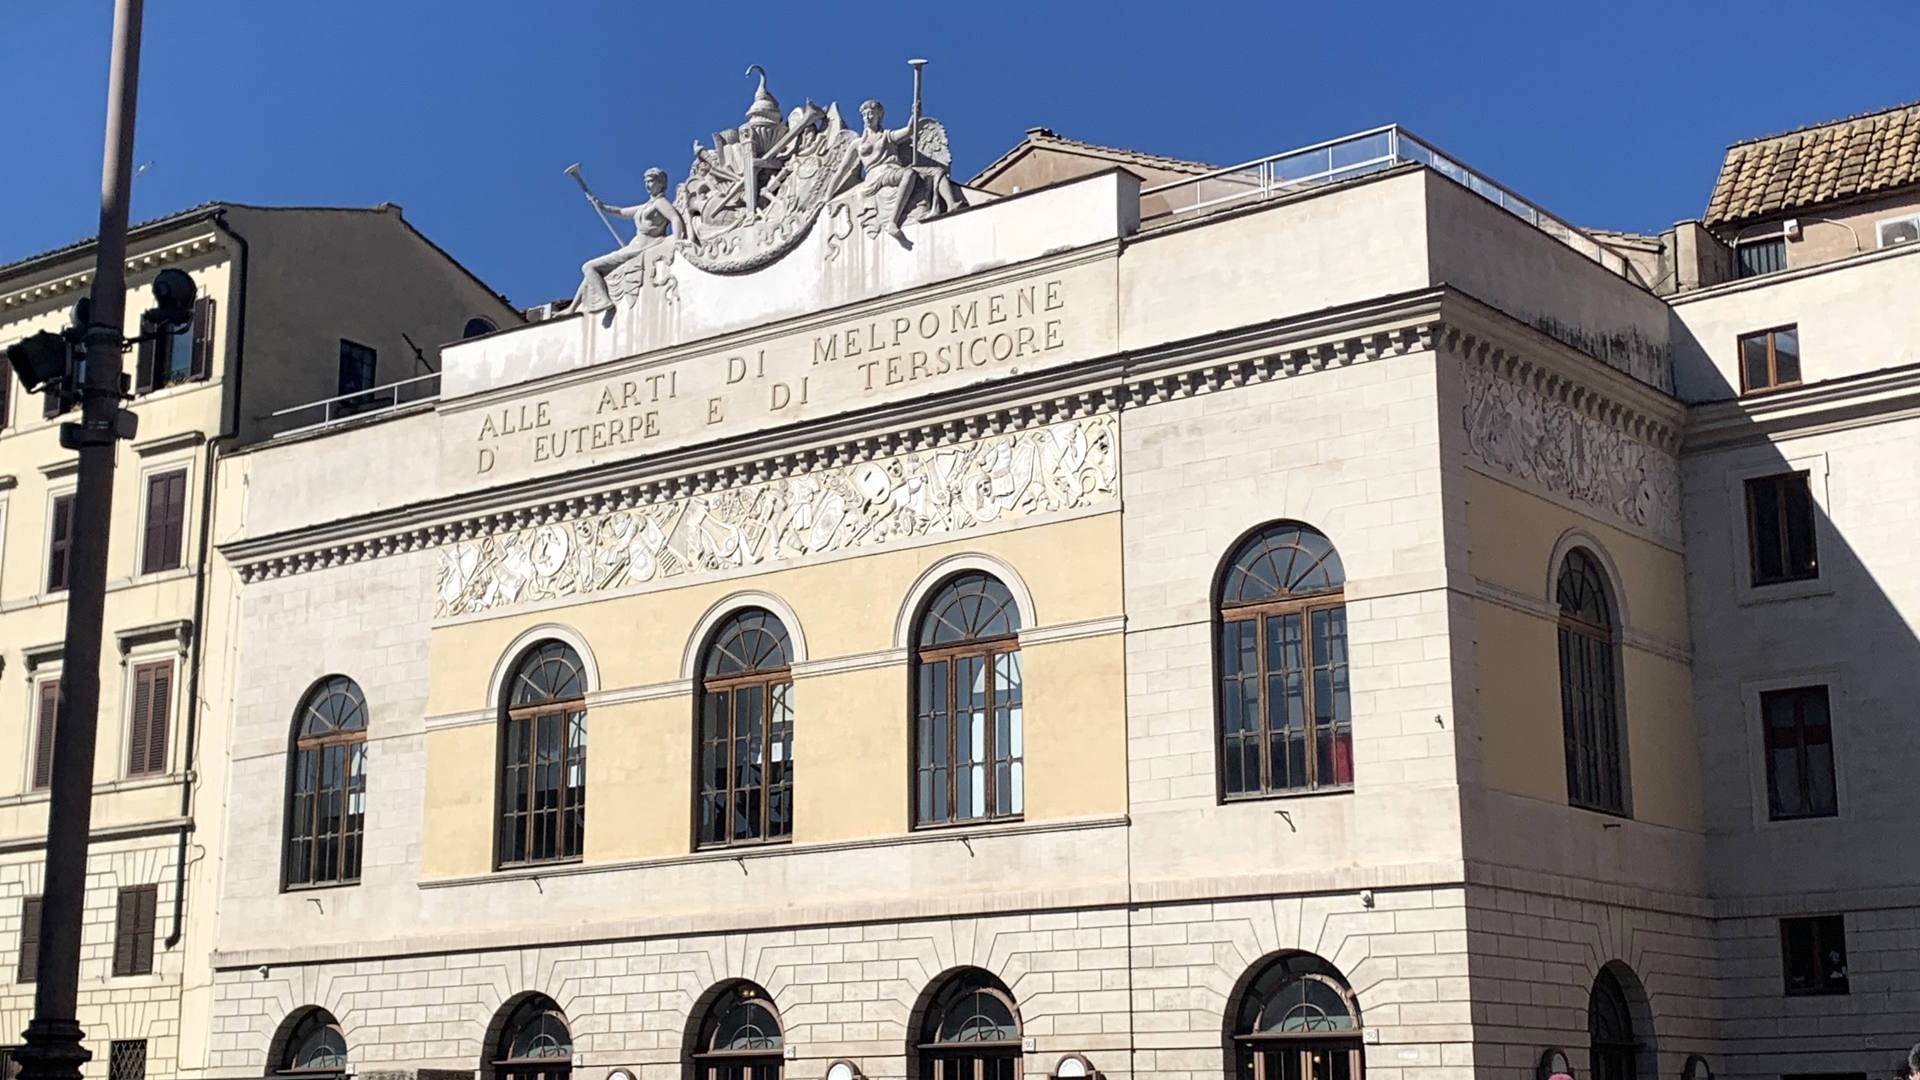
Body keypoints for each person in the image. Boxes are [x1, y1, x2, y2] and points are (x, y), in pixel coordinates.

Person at [576, 168, 689, 313]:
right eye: (646, 182)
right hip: (632, 247)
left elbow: (675, 218)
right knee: (590, 271)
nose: (648, 185)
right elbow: (622, 212)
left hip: (642, 247)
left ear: (661, 183)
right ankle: (573, 308)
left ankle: (605, 301)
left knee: (589, 267)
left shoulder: (660, 203)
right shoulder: (646, 205)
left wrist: (677, 241)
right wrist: (602, 206)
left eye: (651, 181)